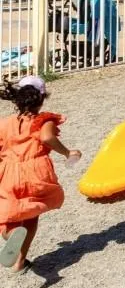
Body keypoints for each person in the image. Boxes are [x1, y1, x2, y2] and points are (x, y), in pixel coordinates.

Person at [0, 76, 80, 272]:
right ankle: (19, 260)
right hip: (36, 173)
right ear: (42, 98)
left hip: (9, 173)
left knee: (6, 215)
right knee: (32, 212)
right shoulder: (43, 120)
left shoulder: (5, 123)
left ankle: (11, 236)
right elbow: (46, 137)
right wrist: (67, 152)